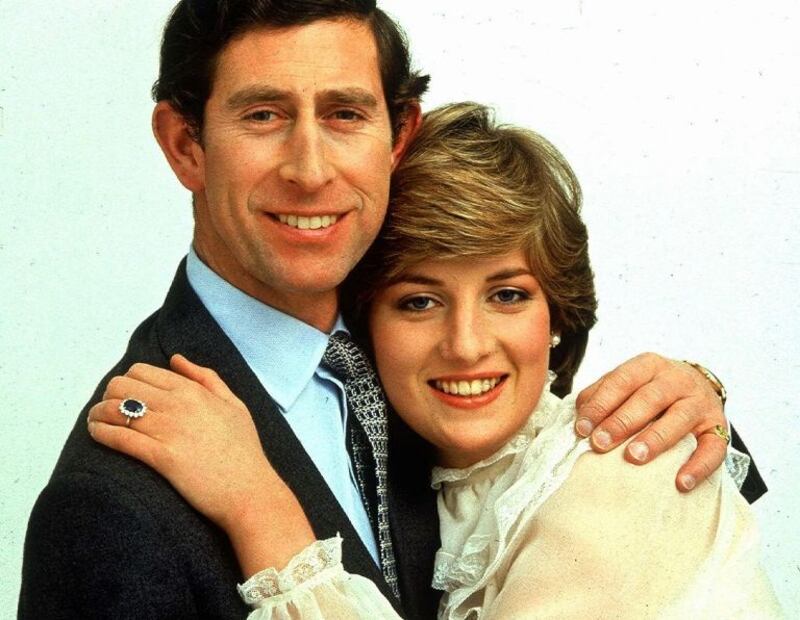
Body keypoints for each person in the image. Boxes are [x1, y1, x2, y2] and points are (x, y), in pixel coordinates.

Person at [18, 2, 765, 618]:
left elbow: (572, 490)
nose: (311, 170)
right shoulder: (109, 506)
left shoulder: (410, 371)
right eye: (264, 115)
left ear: (398, 137)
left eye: (345, 114)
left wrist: (692, 401)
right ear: (186, 145)